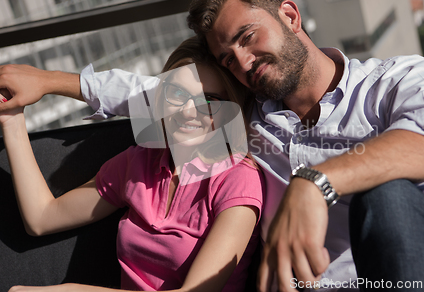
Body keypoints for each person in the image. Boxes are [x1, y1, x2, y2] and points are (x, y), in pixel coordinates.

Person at [0, 0, 424, 292]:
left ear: (290, 16)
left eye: (248, 38)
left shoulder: (393, 80)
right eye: (229, 58)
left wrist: (318, 182)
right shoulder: (245, 121)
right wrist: (48, 83)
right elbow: (166, 92)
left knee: (386, 195)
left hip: (413, 273)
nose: (243, 62)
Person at [0, 37, 264, 292]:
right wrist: (11, 120)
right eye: (177, 93)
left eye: (209, 101)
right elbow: (42, 218)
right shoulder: (139, 162)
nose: (188, 110)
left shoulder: (238, 179)